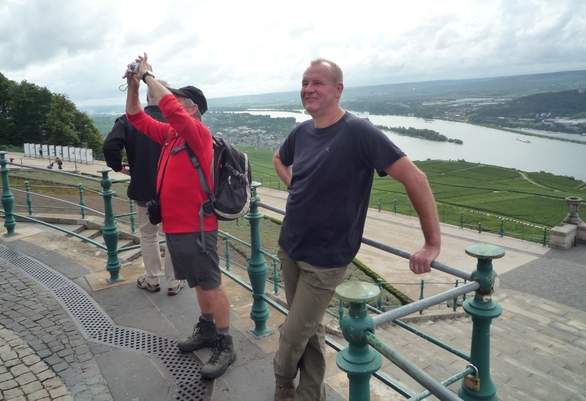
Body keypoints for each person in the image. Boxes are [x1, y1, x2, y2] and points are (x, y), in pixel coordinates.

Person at [272, 58, 442, 401]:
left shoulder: (358, 131)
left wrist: (432, 244)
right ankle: (308, 396)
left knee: (293, 334)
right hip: (291, 246)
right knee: (310, 329)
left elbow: (416, 179)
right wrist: (296, 189)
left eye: (317, 83)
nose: (308, 89)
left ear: (338, 89)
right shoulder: (301, 131)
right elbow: (280, 159)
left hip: (326, 258)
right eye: (304, 83)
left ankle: (282, 381)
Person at [122, 53, 236, 379]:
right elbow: (137, 118)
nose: (172, 103)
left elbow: (167, 106)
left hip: (197, 227)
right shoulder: (172, 136)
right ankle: (207, 328)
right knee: (199, 282)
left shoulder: (197, 133)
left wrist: (147, 76)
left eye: (180, 100)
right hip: (176, 226)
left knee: (211, 285)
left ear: (193, 108)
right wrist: (133, 86)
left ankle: (226, 344)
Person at [103, 79, 186, 296]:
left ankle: (151, 279)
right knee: (172, 235)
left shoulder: (129, 120)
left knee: (148, 234)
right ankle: (174, 281)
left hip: (144, 188)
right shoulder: (178, 122)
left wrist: (117, 166)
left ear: (147, 97)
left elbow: (110, 144)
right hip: (175, 190)